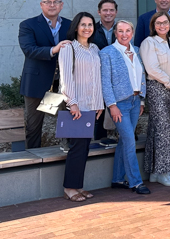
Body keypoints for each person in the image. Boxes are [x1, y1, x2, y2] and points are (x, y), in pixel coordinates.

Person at [100, 20, 150, 195]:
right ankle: (136, 182)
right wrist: (112, 106)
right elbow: (105, 82)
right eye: (120, 31)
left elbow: (141, 76)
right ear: (115, 33)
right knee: (129, 140)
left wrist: (142, 101)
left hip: (136, 102)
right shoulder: (107, 53)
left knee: (124, 140)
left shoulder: (136, 51)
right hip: (119, 104)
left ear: (133, 32)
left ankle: (117, 179)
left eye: (127, 30)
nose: (124, 34)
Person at [58, 12, 105, 202]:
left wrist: (99, 103)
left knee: (85, 148)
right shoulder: (69, 48)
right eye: (83, 24)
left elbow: (98, 78)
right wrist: (72, 103)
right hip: (77, 107)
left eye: (90, 24)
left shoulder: (94, 48)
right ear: (76, 27)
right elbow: (66, 78)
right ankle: (69, 188)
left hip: (91, 106)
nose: (87, 28)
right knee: (77, 148)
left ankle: (78, 185)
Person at [18, 0, 72, 149]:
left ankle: (67, 151)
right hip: (37, 81)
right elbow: (29, 49)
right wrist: (54, 49)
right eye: (47, 2)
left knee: (67, 121)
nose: (52, 5)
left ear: (61, 5)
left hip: (63, 83)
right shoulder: (28, 25)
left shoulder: (70, 25)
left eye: (56, 2)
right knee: (34, 126)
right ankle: (32, 159)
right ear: (41, 5)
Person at [139, 11, 170, 187]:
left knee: (165, 128)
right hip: (158, 88)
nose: (162, 26)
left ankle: (155, 171)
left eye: (165, 22)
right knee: (163, 129)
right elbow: (152, 69)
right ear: (153, 25)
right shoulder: (149, 42)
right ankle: (163, 172)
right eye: (158, 23)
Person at [92, 0, 118, 142]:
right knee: (99, 111)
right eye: (105, 10)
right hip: (97, 77)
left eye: (111, 10)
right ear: (99, 12)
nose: (108, 13)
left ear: (116, 12)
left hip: (118, 78)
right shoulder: (92, 29)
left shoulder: (122, 29)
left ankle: (118, 138)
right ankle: (99, 141)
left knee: (118, 109)